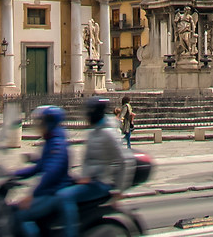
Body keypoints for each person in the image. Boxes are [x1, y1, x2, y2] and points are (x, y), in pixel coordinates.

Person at [46, 98, 128, 237]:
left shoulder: (108, 133)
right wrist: (83, 176)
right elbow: (88, 160)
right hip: (90, 180)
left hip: (101, 183)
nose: (88, 115)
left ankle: (70, 233)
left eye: (90, 111)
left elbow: (124, 160)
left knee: (64, 196)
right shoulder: (93, 132)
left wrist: (120, 190)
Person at [11, 105, 72, 237]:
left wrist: (32, 195)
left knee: (21, 215)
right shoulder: (51, 140)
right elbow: (38, 167)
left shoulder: (57, 143)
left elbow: (51, 172)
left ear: (49, 123)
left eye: (42, 122)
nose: (40, 125)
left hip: (53, 193)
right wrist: (13, 175)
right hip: (48, 191)